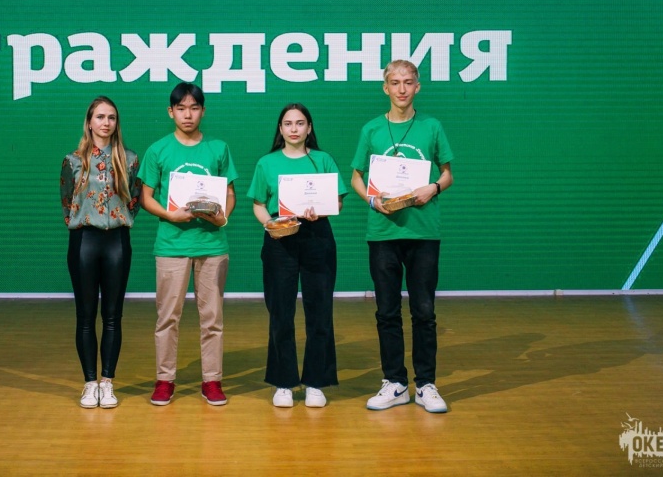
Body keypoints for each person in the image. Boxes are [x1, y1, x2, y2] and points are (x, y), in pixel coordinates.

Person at [350, 60, 454, 413]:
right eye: (395, 83)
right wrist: (372, 200)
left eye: (408, 82)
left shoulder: (432, 126)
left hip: (423, 231)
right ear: (385, 88)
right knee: (387, 311)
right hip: (383, 232)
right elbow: (356, 177)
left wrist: (433, 188)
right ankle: (394, 383)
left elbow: (448, 174)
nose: (402, 89)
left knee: (424, 311)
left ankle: (426, 385)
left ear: (417, 87)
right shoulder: (371, 129)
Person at [138, 83, 238, 406]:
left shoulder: (218, 148)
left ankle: (212, 380)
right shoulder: (158, 150)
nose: (188, 114)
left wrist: (222, 216)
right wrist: (171, 215)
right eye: (181, 108)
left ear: (203, 111)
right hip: (171, 245)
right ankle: (164, 380)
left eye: (194, 108)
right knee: (167, 317)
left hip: (212, 245)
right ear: (171, 112)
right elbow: (145, 197)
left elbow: (230, 194)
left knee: (212, 319)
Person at [247, 103, 347, 408]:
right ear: (280, 129)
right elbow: (258, 204)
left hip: (318, 237)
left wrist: (322, 210)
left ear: (309, 128)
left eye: (300, 123)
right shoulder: (266, 163)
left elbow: (338, 202)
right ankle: (284, 382)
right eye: (288, 123)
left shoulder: (323, 159)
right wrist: (271, 224)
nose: (294, 129)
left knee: (320, 312)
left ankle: (316, 382)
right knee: (280, 312)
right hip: (280, 239)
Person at [60, 96, 141, 409]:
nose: (106, 123)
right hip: (84, 242)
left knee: (112, 316)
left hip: (117, 242)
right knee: (85, 316)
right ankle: (89, 383)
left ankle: (107, 383)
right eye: (100, 117)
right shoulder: (73, 161)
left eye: (111, 117)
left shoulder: (130, 159)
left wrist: (117, 218)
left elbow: (135, 200)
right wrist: (85, 219)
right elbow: (67, 202)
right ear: (90, 122)